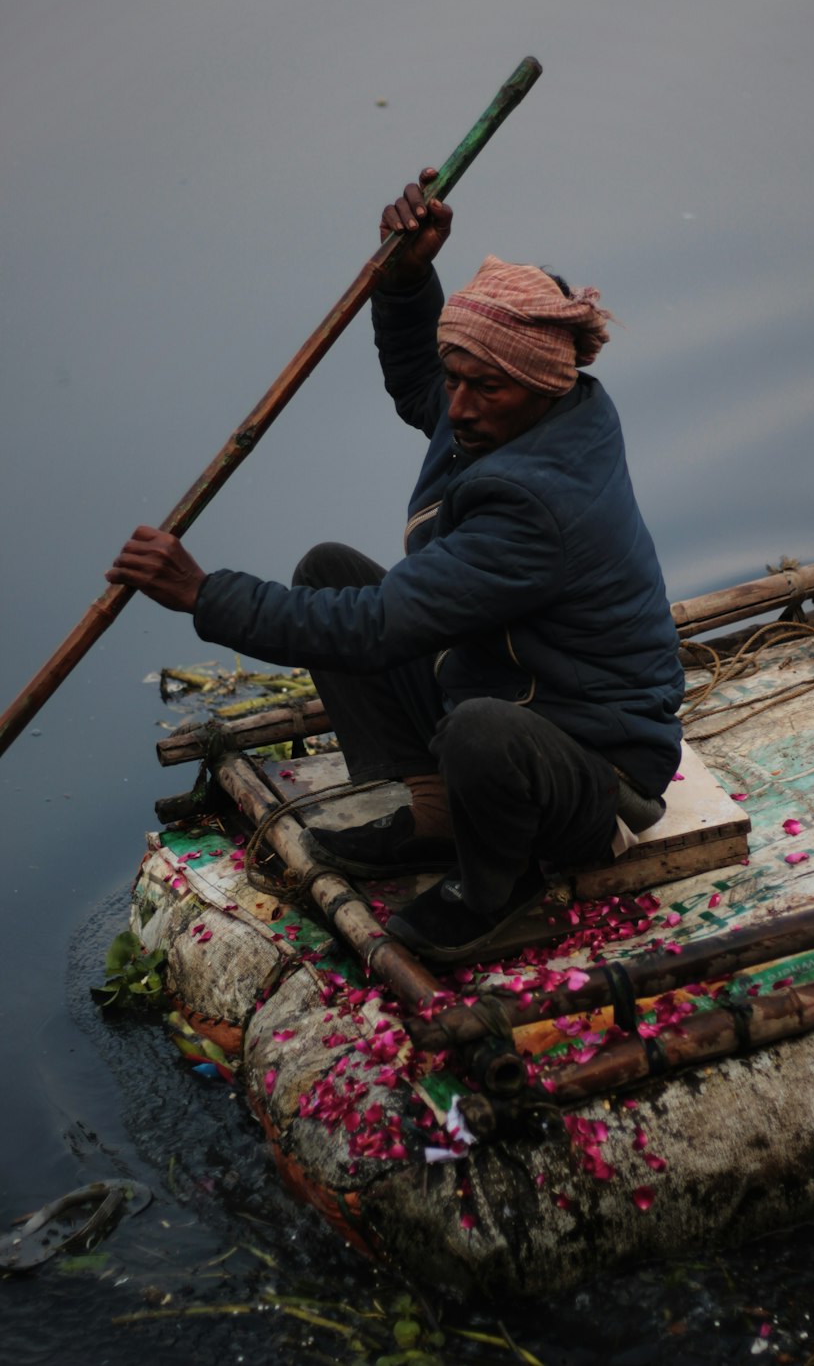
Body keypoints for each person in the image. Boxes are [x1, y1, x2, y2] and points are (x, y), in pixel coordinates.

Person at [108, 170, 684, 962]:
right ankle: (437, 813)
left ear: (537, 386)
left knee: (477, 728)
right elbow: (421, 380)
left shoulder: (539, 502)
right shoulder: (511, 411)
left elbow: (379, 627)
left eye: (482, 386)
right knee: (330, 571)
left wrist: (203, 595)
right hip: (511, 688)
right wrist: (408, 278)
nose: (457, 406)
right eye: (458, 377)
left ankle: (495, 885)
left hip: (592, 769)